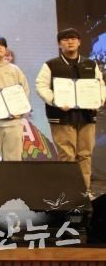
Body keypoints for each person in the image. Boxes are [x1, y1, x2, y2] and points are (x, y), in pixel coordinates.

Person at [35, 28, 106, 194]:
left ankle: (84, 191)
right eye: (65, 39)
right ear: (59, 44)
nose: (70, 42)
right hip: (61, 116)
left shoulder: (90, 64)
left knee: (85, 154)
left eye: (73, 38)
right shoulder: (50, 65)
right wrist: (55, 101)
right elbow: (41, 86)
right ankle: (68, 192)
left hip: (87, 115)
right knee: (67, 155)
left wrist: (99, 100)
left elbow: (100, 84)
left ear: (79, 42)